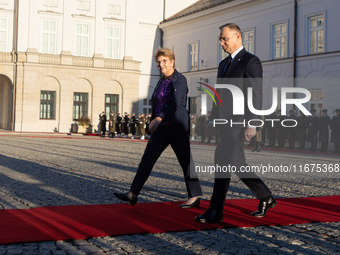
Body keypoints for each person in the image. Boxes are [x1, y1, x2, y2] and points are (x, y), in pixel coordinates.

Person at [195, 23, 276, 223]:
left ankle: (216, 210)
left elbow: (255, 93)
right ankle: (266, 197)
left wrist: (253, 123)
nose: (222, 43)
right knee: (238, 163)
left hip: (240, 122)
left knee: (221, 159)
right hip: (225, 121)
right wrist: (213, 118)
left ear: (238, 37)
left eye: (225, 39)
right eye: (220, 40)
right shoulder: (223, 64)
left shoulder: (251, 61)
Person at [114, 47, 202, 208]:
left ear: (172, 62)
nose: (161, 65)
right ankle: (133, 193)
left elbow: (175, 101)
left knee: (186, 161)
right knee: (147, 160)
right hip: (161, 129)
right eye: (158, 62)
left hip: (177, 127)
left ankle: (195, 196)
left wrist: (159, 117)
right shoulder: (161, 81)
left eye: (164, 61)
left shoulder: (180, 79)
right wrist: (154, 120)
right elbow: (157, 103)